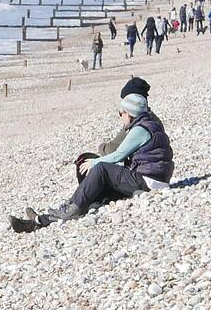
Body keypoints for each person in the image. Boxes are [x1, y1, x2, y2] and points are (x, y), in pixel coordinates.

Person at [10, 91, 173, 229]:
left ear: (129, 113)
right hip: (152, 178)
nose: (121, 117)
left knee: (101, 168)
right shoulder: (150, 125)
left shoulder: (140, 130)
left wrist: (93, 163)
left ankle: (70, 209)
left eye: (121, 113)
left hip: (149, 181)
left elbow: (118, 155)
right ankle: (43, 220)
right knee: (97, 196)